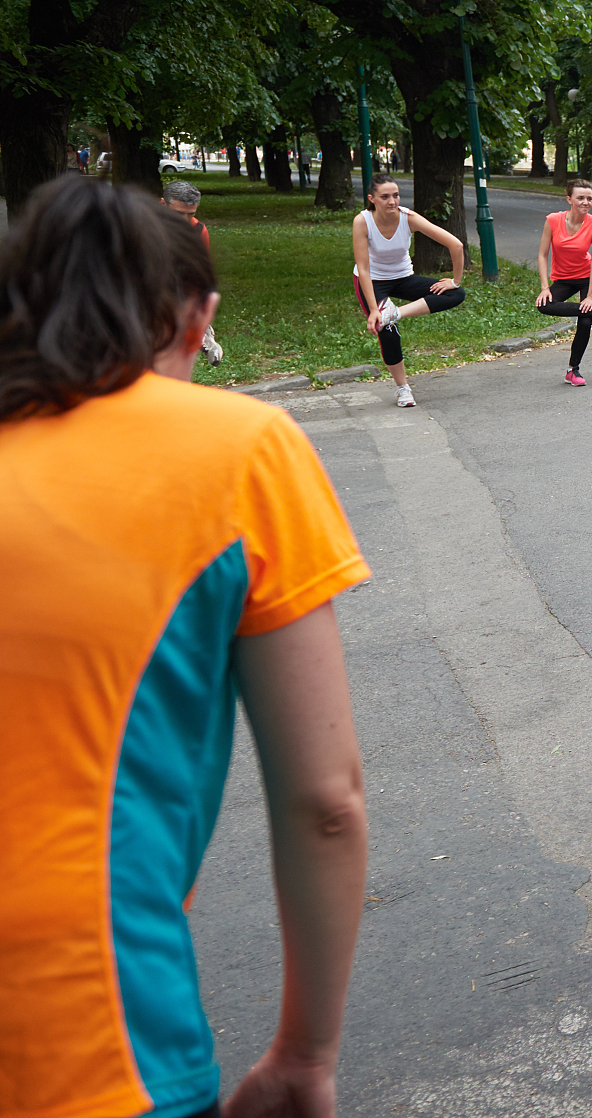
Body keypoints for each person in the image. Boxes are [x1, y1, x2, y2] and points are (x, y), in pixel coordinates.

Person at [0, 177, 372, 1118]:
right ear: (197, 318)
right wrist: (303, 1054)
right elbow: (326, 800)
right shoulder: (234, 449)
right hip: (85, 1034)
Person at [352, 173, 470, 408]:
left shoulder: (409, 218)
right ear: (372, 199)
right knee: (387, 331)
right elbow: (363, 269)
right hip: (374, 280)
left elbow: (455, 245)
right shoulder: (362, 221)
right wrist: (374, 310)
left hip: (404, 277)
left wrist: (455, 281)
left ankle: (396, 313)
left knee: (456, 294)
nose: (392, 201)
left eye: (395, 195)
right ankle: (402, 388)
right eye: (384, 197)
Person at [538, 179, 592, 385]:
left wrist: (590, 296)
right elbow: (543, 255)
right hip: (563, 278)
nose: (586, 202)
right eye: (580, 198)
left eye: (589, 198)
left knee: (584, 322)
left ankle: (573, 370)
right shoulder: (553, 220)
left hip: (587, 277)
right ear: (569, 199)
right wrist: (544, 288)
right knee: (544, 305)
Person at [161, 179, 225, 365]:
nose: (184, 221)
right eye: (178, 213)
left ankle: (204, 338)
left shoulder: (198, 231)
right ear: (163, 204)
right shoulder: (140, 223)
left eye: (190, 214)